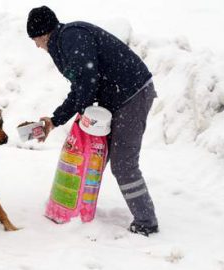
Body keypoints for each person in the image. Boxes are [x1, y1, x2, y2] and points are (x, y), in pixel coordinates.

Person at [27, 6, 158, 236]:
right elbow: (79, 88)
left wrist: (82, 114)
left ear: (43, 33)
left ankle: (146, 222)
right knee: (93, 155)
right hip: (116, 97)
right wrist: (54, 120)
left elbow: (88, 79)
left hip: (132, 94)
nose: (36, 46)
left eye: (35, 39)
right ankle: (76, 209)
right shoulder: (63, 44)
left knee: (123, 163)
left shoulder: (71, 36)